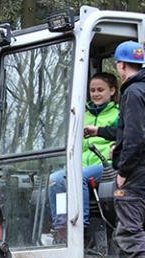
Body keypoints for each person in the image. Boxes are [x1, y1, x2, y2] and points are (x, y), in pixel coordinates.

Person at [85, 41, 145, 258]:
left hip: (136, 169)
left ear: (120, 65)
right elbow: (125, 128)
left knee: (129, 230)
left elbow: (133, 137)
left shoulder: (132, 93)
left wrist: (124, 172)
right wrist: (98, 132)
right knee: (134, 227)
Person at [48, 72, 119, 244]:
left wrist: (116, 146)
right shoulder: (82, 114)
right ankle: (62, 228)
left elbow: (125, 135)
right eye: (92, 90)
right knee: (55, 179)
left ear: (112, 91)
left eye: (100, 90)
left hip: (106, 165)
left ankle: (81, 228)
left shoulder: (118, 114)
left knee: (81, 177)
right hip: (80, 164)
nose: (95, 94)